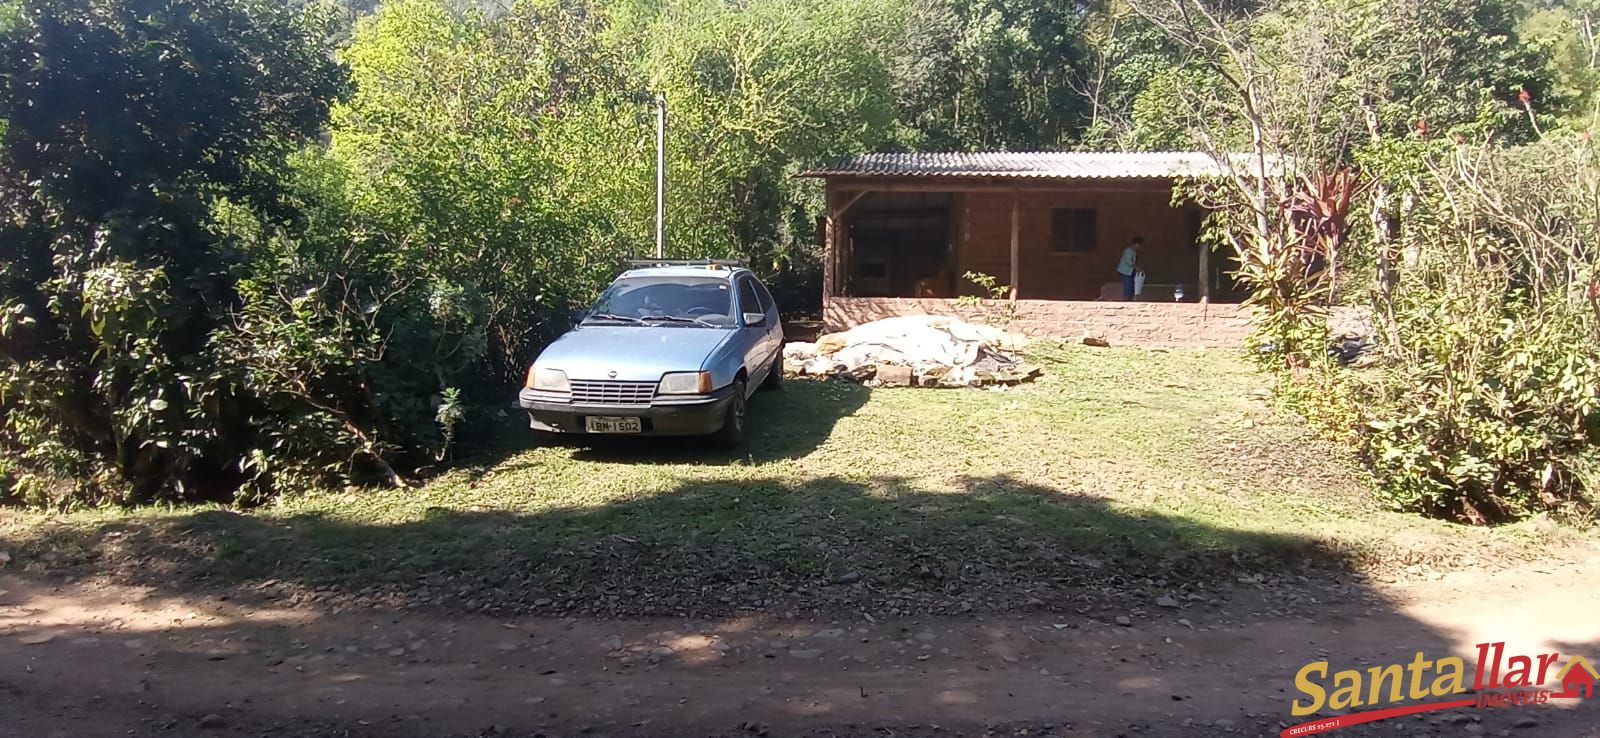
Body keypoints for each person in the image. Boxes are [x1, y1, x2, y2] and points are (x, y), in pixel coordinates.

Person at [1117, 236, 1143, 301]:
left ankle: (1129, 299)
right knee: (1128, 287)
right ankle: (1126, 300)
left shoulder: (1134, 251)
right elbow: (1128, 261)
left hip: (1130, 272)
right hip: (1125, 272)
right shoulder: (1129, 250)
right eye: (1140, 245)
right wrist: (1136, 267)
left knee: (1131, 287)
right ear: (1137, 244)